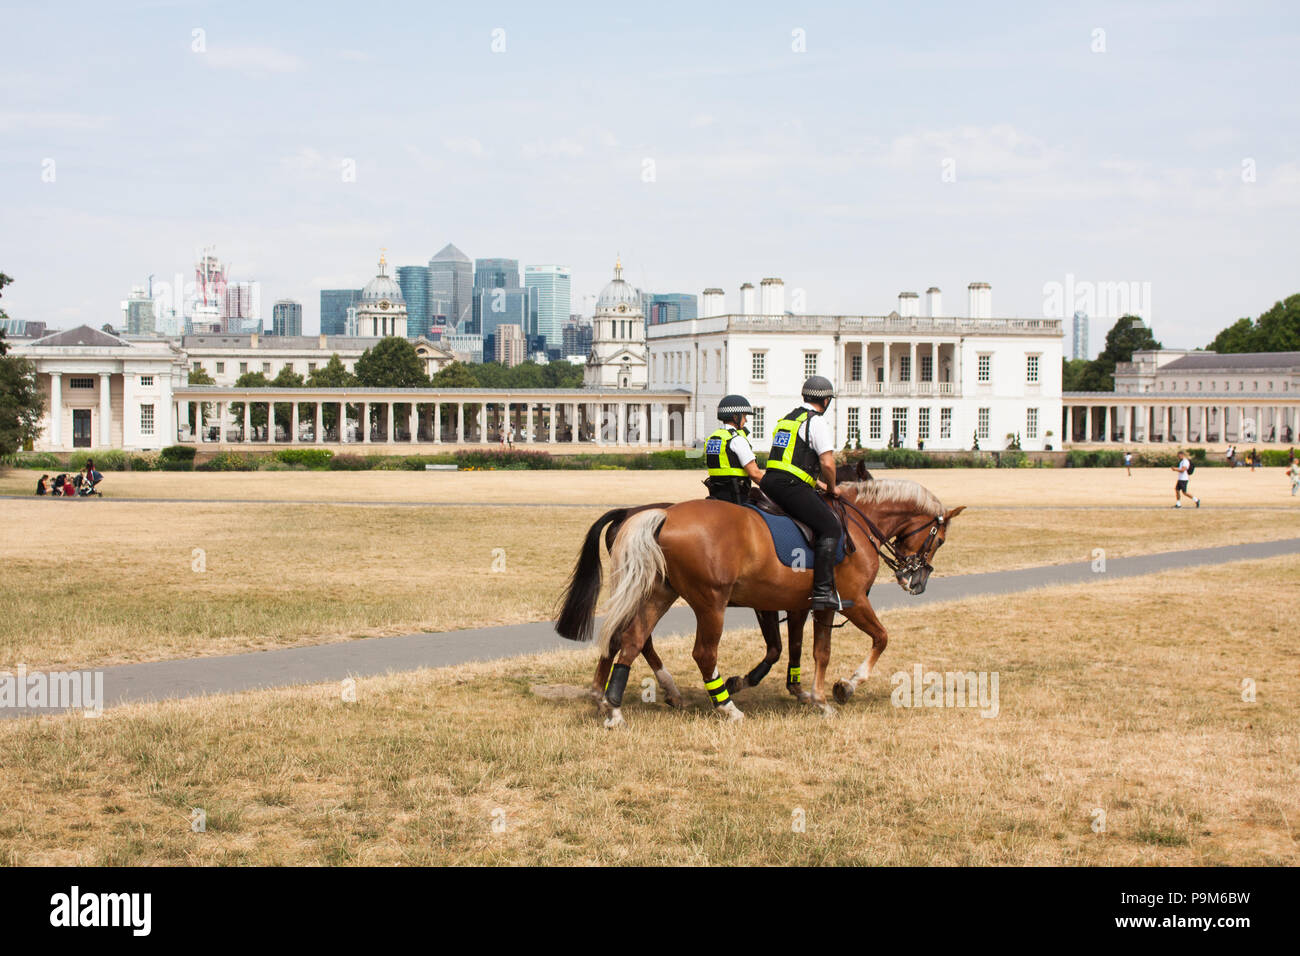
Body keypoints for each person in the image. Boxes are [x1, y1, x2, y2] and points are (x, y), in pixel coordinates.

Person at [760, 375, 852, 610]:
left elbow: (793, 461)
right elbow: (828, 464)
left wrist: (817, 485)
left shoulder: (787, 419)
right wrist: (831, 487)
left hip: (770, 482)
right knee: (830, 526)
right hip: (790, 487)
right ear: (826, 401)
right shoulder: (816, 422)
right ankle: (822, 592)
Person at [704, 395, 762, 504]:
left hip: (716, 496)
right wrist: (771, 488)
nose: (746, 420)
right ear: (736, 417)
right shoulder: (736, 439)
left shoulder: (713, 438)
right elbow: (754, 473)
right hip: (737, 499)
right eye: (744, 416)